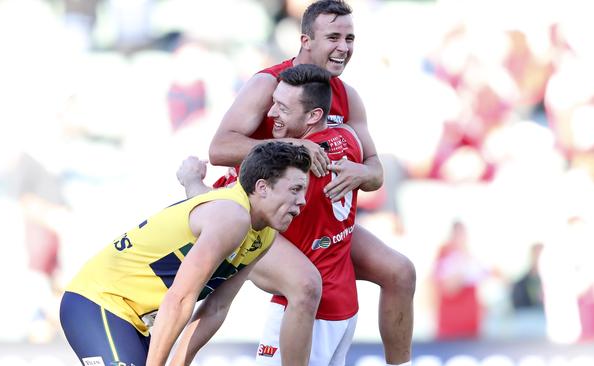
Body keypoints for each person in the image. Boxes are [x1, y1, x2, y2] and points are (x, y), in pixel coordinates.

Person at [208, 1, 415, 365]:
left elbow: (376, 171)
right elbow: (219, 148)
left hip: (310, 218)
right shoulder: (268, 83)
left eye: (350, 37)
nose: (344, 46)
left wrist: (362, 173)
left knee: (400, 272)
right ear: (305, 40)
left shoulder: (347, 95)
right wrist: (293, 145)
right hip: (256, 219)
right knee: (303, 287)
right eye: (333, 36)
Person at [59, 141, 311, 366]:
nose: (303, 200)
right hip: (98, 302)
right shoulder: (232, 216)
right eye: (295, 189)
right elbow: (179, 299)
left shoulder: (265, 235)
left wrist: (180, 361)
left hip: (133, 321)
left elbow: (216, 308)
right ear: (262, 187)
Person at [176, 64, 363, 366]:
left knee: (217, 298)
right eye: (273, 102)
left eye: (282, 108)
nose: (271, 113)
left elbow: (220, 211)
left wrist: (192, 182)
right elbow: (372, 173)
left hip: (302, 312)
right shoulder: (349, 138)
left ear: (313, 115)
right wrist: (367, 172)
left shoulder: (288, 166)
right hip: (343, 306)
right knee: (218, 301)